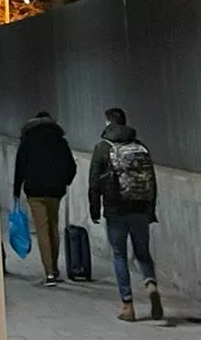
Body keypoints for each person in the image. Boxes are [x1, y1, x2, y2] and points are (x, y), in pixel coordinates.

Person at [88, 106, 162, 323]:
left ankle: (128, 306)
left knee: (119, 255)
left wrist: (95, 209)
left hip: (115, 210)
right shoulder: (140, 146)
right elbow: (152, 180)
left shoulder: (102, 148)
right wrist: (150, 210)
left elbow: (94, 182)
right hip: (139, 208)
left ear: (108, 123)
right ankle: (150, 284)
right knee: (143, 253)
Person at [11, 109, 77, 286]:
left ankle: (49, 273)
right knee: (53, 228)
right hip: (56, 190)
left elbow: (20, 167)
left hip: (35, 191)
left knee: (42, 230)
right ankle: (54, 268)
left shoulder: (27, 141)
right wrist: (65, 181)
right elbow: (71, 166)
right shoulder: (60, 141)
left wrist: (16, 190)